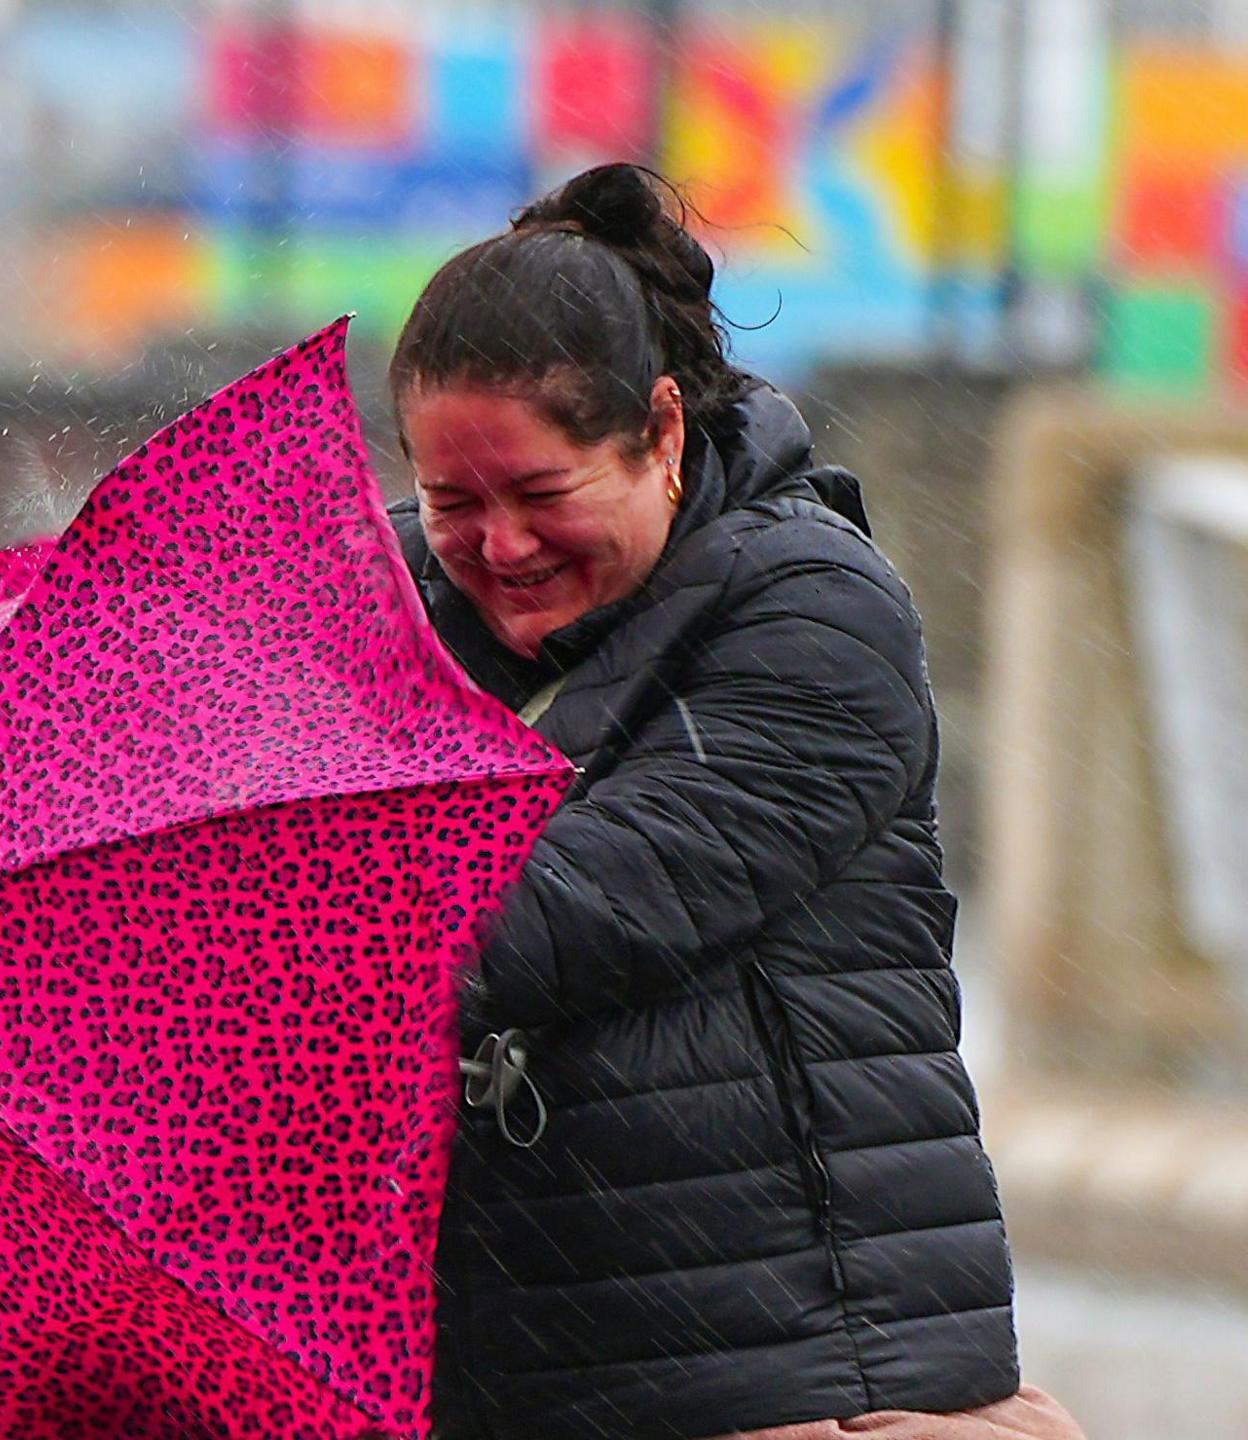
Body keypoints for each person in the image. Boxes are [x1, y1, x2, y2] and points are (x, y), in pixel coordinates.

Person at [385, 165, 1082, 1440]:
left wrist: (241, 912)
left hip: (800, 1378)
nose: (498, 545)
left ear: (659, 432)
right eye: (451, 504)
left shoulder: (815, 615)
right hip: (533, 1377)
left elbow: (543, 921)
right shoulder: (379, 624)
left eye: (542, 495)